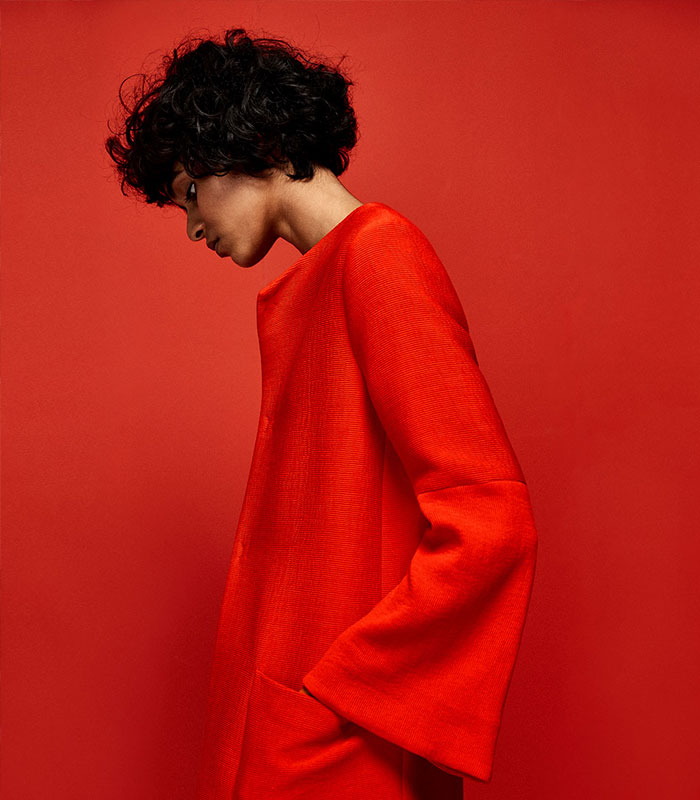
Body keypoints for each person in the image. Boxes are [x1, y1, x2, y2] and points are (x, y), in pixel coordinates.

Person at [105, 26, 538, 800]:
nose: (192, 226)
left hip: (338, 750)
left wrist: (346, 687)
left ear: (258, 144)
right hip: (290, 729)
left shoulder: (378, 257)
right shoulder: (328, 277)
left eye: (190, 192)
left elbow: (489, 516)